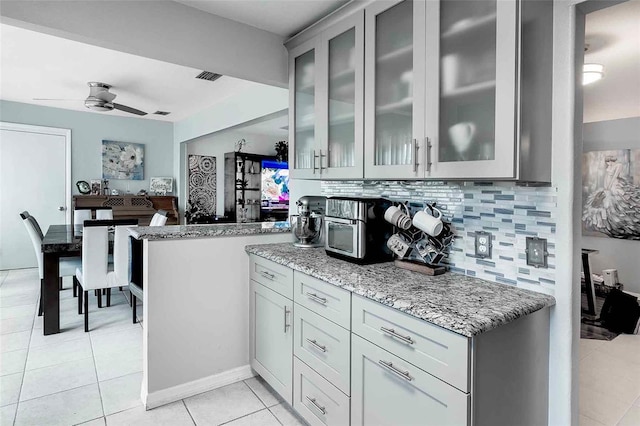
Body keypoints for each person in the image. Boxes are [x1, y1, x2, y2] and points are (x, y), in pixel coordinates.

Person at [582, 155, 640, 239]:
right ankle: (606, 224)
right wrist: (605, 187)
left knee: (617, 203)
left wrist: (609, 187)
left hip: (614, 184)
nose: (608, 163)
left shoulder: (618, 165)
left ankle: (619, 224)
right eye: (607, 161)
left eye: (609, 161)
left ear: (613, 160)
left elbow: (614, 177)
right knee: (604, 203)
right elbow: (607, 177)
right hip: (607, 185)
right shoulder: (610, 166)